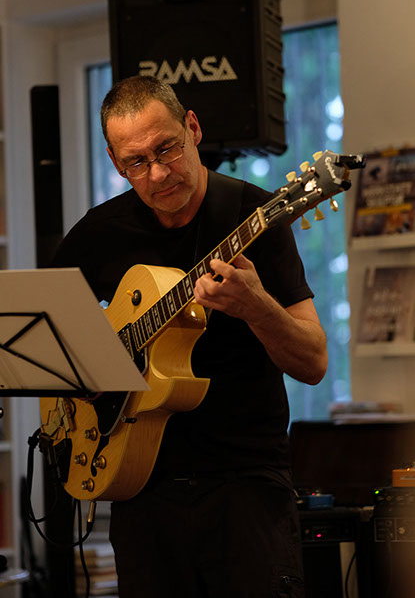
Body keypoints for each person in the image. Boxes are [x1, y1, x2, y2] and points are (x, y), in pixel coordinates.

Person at [53, 75, 327, 597]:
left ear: (193, 128)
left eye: (167, 149)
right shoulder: (100, 233)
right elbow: (52, 330)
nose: (158, 173)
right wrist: (87, 378)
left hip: (244, 488)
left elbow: (313, 363)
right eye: (136, 162)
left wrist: (257, 308)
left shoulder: (255, 216)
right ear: (116, 163)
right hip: (140, 490)